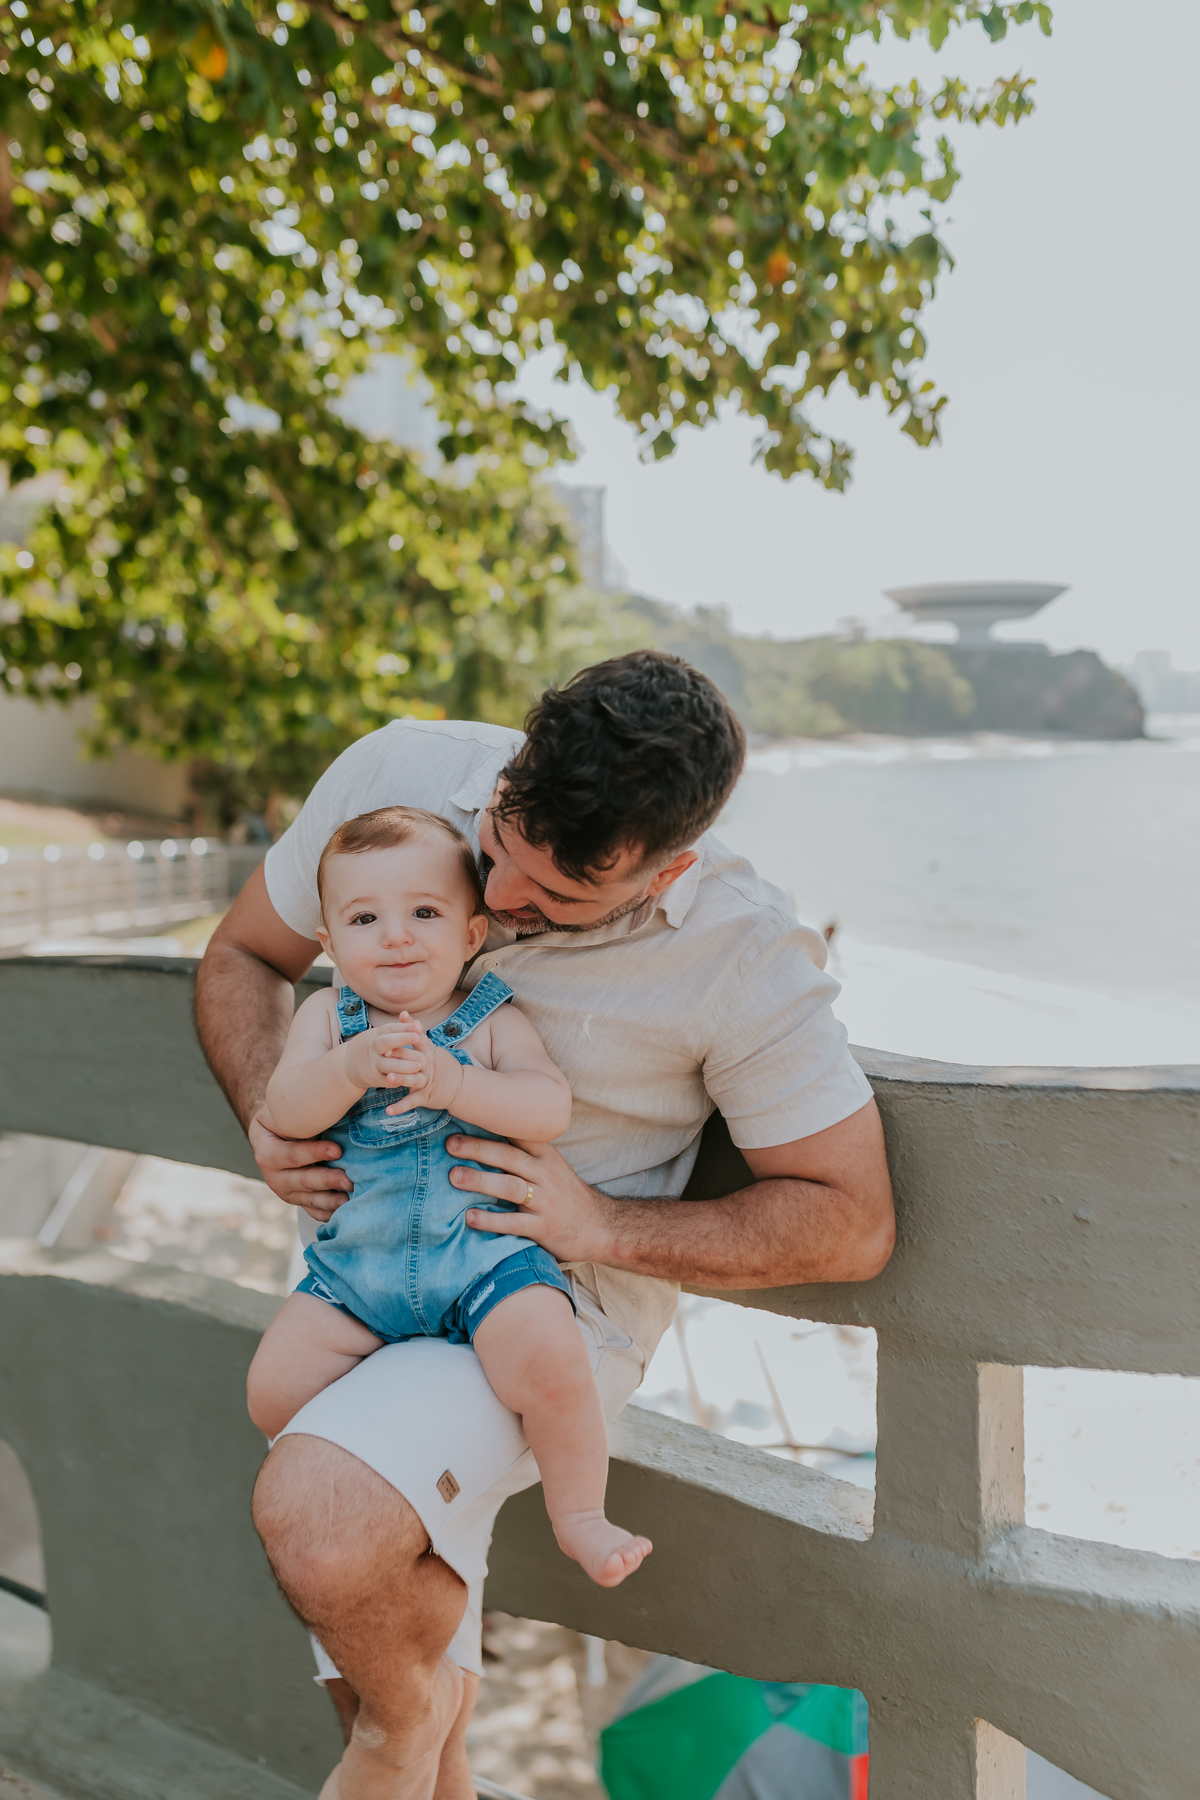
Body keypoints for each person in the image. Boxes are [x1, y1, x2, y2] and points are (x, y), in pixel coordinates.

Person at [195, 650, 896, 1800]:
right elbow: (245, 955)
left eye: (557, 898)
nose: (499, 904)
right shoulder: (403, 777)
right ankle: (433, 1739)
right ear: (514, 764)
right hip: (367, 1274)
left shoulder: (747, 952)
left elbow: (851, 1222)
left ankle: (407, 1729)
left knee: (322, 1531)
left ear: (669, 868)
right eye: (498, 849)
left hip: (546, 1305)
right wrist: (273, 1109)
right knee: (363, 1610)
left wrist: (600, 1222)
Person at [246, 805, 651, 1588]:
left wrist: (457, 1080)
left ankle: (582, 1518)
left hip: (482, 1259)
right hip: (355, 1275)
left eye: (425, 913)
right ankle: (383, 1499)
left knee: (553, 1361)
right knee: (272, 1387)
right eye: (365, 918)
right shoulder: (328, 1018)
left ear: (471, 934)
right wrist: (349, 1069)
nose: (396, 935)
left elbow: (547, 1108)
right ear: (329, 945)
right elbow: (285, 1110)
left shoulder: (491, 1020)